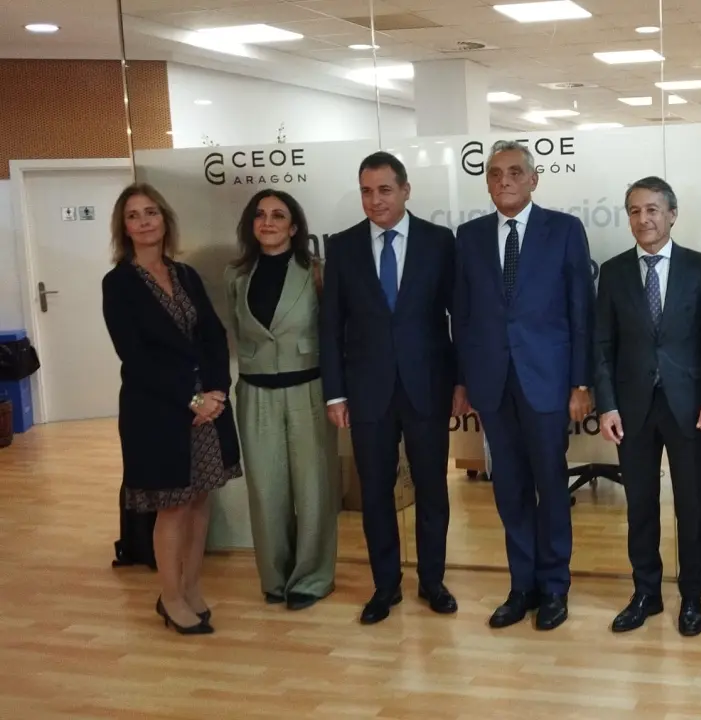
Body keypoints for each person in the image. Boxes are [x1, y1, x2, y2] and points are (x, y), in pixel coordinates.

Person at [319, 151, 468, 625]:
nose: (375, 200)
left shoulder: (438, 241)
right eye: (366, 191)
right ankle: (385, 586)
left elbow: (460, 316)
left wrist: (461, 380)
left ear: (405, 190)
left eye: (384, 190)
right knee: (376, 493)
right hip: (367, 392)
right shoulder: (343, 247)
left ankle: (432, 580)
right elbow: (331, 326)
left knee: (432, 489)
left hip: (428, 386)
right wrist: (335, 393)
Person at [453, 140, 594, 631]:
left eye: (515, 172)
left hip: (547, 381)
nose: (505, 181)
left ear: (534, 179)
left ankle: (554, 586)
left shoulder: (564, 229)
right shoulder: (469, 236)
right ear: (487, 183)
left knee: (550, 485)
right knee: (509, 487)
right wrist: (463, 380)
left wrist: (580, 383)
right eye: (495, 174)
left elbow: (581, 310)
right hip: (493, 383)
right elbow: (462, 316)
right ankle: (522, 585)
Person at [101, 182, 242, 635]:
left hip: (206, 409)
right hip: (158, 411)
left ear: (165, 220)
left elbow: (214, 335)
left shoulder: (185, 275)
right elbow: (135, 357)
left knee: (199, 500)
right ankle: (171, 597)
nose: (144, 222)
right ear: (124, 228)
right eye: (133, 216)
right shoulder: (119, 283)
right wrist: (192, 398)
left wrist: (216, 391)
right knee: (173, 507)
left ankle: (192, 588)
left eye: (151, 213)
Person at [594, 176, 701, 636]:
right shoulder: (613, 272)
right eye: (634, 210)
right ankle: (646, 594)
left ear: (672, 214)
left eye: (652, 209)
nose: (643, 219)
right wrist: (606, 405)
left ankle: (692, 597)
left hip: (689, 406)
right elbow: (602, 345)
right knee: (640, 506)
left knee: (691, 506)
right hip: (632, 409)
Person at [225, 189, 340, 611]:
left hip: (309, 390)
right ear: (251, 225)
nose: (268, 222)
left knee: (314, 490)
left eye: (278, 215)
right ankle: (274, 577)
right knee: (265, 491)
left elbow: (333, 333)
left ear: (294, 227)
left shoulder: (316, 272)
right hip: (255, 393)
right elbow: (237, 331)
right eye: (260, 215)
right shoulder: (235, 275)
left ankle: (312, 577)